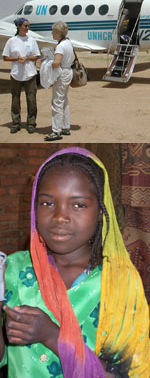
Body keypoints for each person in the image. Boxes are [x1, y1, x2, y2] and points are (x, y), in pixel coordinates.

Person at [0, 147, 149, 378]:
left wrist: (53, 336)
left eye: (78, 205)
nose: (60, 216)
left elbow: (124, 374)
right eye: (47, 203)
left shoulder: (119, 284)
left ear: (101, 211)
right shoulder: (11, 270)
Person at [2, 18, 40, 134]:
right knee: (15, 99)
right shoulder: (11, 41)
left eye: (28, 26)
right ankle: (16, 123)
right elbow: (5, 57)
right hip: (16, 74)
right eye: (25, 26)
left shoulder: (32, 40)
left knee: (31, 99)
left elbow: (37, 55)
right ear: (18, 26)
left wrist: (27, 58)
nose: (27, 28)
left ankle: (31, 123)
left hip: (30, 73)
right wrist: (17, 59)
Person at [45, 21, 74, 141]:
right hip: (68, 72)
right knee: (64, 100)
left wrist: (46, 63)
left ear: (57, 32)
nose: (52, 33)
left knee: (57, 102)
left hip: (62, 74)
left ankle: (56, 131)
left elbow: (56, 63)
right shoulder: (68, 42)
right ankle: (65, 127)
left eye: (53, 31)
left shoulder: (61, 46)